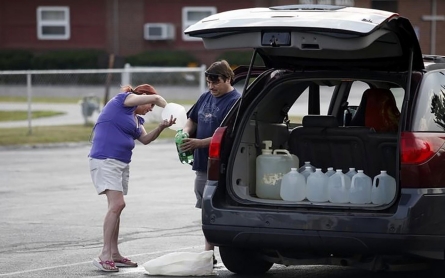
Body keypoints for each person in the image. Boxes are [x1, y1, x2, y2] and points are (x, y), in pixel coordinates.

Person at [88, 84, 176, 272]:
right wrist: (166, 106)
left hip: (121, 164)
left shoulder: (135, 119)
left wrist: (161, 126)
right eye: (148, 105)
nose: (150, 109)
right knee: (118, 205)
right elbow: (157, 100)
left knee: (116, 207)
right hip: (105, 159)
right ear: (142, 96)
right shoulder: (122, 100)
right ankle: (104, 255)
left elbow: (145, 140)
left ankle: (114, 254)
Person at [181, 60, 241, 264]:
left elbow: (227, 136)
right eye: (208, 83)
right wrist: (185, 132)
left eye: (215, 83)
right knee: (204, 208)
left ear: (228, 79)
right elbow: (192, 119)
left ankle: (209, 253)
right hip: (201, 165)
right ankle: (208, 253)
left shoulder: (235, 101)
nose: (211, 87)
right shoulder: (205, 97)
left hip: (221, 166)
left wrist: (199, 143)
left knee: (213, 208)